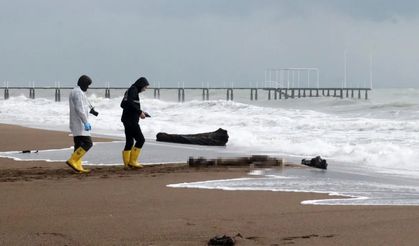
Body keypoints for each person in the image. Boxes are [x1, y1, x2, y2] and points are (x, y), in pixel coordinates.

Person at [66, 75, 93, 173]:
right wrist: (85, 122)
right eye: (87, 85)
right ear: (83, 84)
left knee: (78, 145)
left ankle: (77, 166)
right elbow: (79, 108)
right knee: (88, 143)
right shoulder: (78, 93)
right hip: (79, 123)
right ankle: (73, 160)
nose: (88, 87)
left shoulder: (75, 91)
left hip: (76, 122)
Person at [120, 77, 149, 169]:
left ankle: (126, 164)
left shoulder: (130, 90)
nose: (145, 89)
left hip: (126, 119)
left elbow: (123, 104)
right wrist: (139, 112)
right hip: (131, 120)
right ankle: (132, 162)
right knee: (141, 140)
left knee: (129, 142)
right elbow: (129, 103)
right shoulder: (134, 90)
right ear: (141, 84)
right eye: (145, 87)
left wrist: (140, 111)